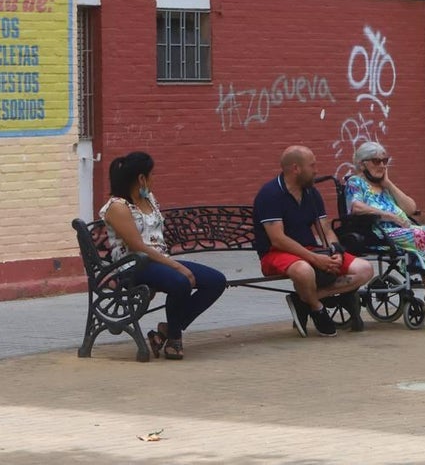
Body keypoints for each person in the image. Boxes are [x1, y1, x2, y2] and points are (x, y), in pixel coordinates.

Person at [99, 152, 227, 360]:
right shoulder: (118, 207)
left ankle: (165, 330)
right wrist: (176, 266)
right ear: (141, 178)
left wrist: (171, 264)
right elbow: (137, 246)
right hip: (133, 266)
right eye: (152, 174)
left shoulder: (147, 199)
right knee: (181, 282)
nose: (154, 179)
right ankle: (174, 340)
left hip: (158, 261)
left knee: (216, 281)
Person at [253, 145, 374, 337]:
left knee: (365, 269)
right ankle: (317, 307)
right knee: (304, 269)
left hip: (310, 250)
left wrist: (336, 252)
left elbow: (325, 229)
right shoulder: (270, 194)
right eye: (312, 165)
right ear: (296, 168)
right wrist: (315, 259)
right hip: (275, 254)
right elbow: (277, 239)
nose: (316, 170)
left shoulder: (311, 193)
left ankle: (304, 299)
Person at [344, 141, 425, 308]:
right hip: (380, 233)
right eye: (377, 161)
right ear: (363, 164)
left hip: (402, 230)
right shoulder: (356, 182)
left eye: (385, 161)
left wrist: (388, 184)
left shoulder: (384, 186)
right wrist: (388, 215)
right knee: (422, 237)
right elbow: (356, 207)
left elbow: (410, 208)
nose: (382, 166)